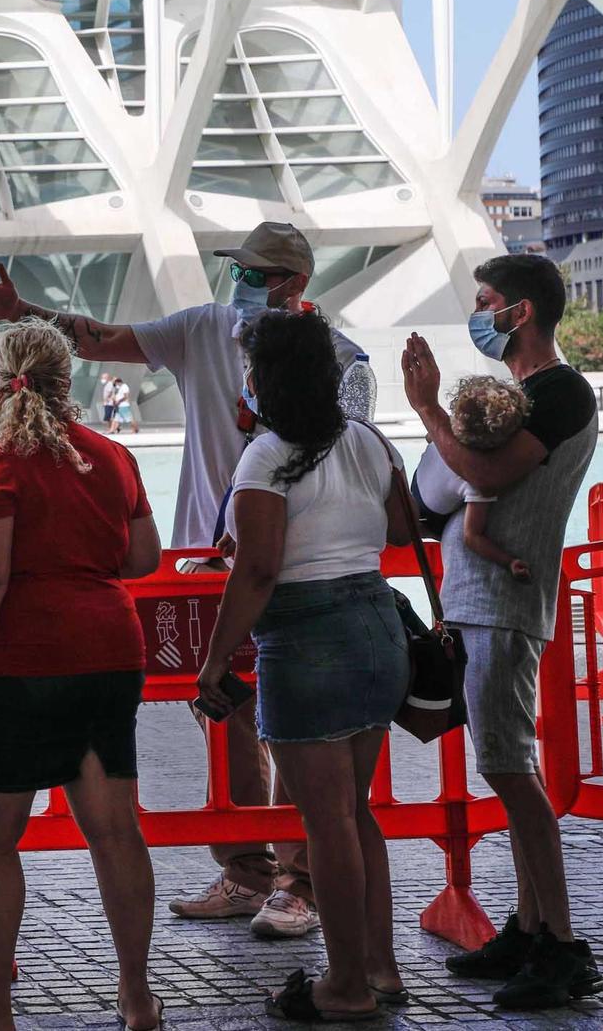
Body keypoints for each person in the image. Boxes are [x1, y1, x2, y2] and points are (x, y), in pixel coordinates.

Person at [0, 222, 362, 938]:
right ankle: (246, 871)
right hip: (210, 570)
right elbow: (101, 338)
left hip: (297, 568)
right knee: (228, 714)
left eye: (255, 271)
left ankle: (299, 882)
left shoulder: (341, 357)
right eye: (237, 267)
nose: (239, 281)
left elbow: (348, 455)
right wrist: (20, 313)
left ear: (295, 282)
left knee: (293, 721)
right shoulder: (205, 329)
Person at [0, 319, 164, 1031]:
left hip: (23, 666)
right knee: (115, 832)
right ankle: (139, 999)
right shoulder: (114, 458)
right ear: (68, 381)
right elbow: (143, 556)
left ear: (4, 381)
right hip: (112, 657)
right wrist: (80, 561)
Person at [196, 310, 412, 1021]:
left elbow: (256, 572)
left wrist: (215, 660)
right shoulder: (368, 443)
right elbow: (399, 529)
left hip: (308, 637)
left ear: (265, 380)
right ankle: (381, 969)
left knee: (327, 825)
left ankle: (345, 986)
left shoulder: (266, 457)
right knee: (357, 814)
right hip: (376, 627)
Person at [403, 254, 603, 1010]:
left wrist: (427, 409)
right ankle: (528, 926)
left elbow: (482, 480)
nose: (477, 313)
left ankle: (562, 945)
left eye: (487, 301)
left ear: (520, 313)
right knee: (504, 765)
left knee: (512, 773)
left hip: (503, 606)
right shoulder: (521, 394)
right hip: (480, 603)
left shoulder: (559, 392)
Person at [411, 376, 534, 580]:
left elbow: (431, 435)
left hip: (415, 487)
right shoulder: (478, 479)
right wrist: (508, 561)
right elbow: (472, 537)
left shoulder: (445, 435)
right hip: (431, 518)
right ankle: (429, 532)